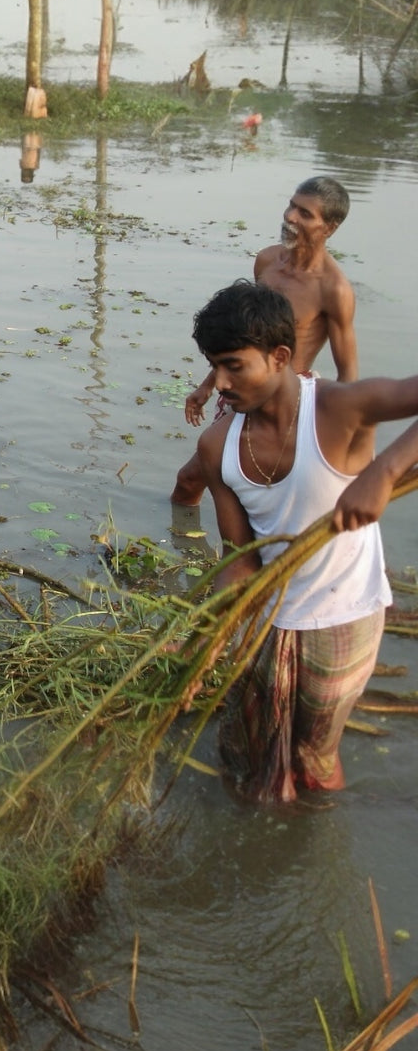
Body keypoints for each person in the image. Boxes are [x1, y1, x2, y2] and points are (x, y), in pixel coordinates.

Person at [192, 280, 418, 804]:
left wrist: (384, 471)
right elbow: (240, 559)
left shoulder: (341, 408)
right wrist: (210, 632)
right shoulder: (217, 446)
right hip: (266, 622)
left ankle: (321, 839)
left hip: (342, 618)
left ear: (280, 357)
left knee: (313, 760)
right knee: (248, 761)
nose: (220, 383)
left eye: (233, 366)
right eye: (214, 367)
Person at [171, 176, 358, 506]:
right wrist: (207, 386)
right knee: (193, 482)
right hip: (240, 387)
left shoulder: (333, 289)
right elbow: (245, 339)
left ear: (329, 227)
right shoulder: (267, 261)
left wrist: (336, 438)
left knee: (197, 480)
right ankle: (185, 536)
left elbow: (349, 376)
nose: (290, 217)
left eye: (305, 213)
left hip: (283, 403)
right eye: (291, 206)